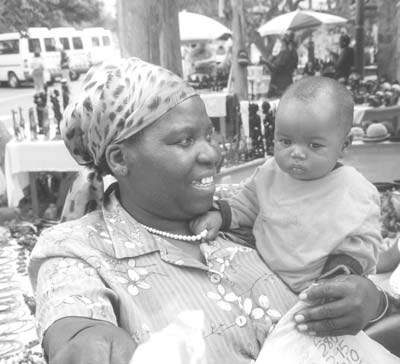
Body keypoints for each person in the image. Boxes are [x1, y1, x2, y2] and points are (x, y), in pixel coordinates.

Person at [28, 59, 390, 364]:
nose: (212, 155)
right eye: (185, 141)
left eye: (209, 136)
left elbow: (344, 262)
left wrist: (372, 301)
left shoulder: (244, 213)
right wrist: (92, 340)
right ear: (120, 159)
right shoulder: (77, 251)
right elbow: (76, 327)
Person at [191, 76, 382, 293]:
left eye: (314, 145)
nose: (297, 153)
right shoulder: (270, 174)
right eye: (285, 141)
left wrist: (339, 275)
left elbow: (364, 242)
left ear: (343, 145)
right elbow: (245, 204)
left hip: (323, 287)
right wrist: (219, 216)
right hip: (263, 278)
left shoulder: (354, 189)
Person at [263, 31, 298, 98]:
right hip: (288, 83)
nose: (280, 44)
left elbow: (275, 68)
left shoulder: (284, 54)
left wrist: (266, 62)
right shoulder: (293, 53)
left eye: (281, 42)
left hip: (279, 85)